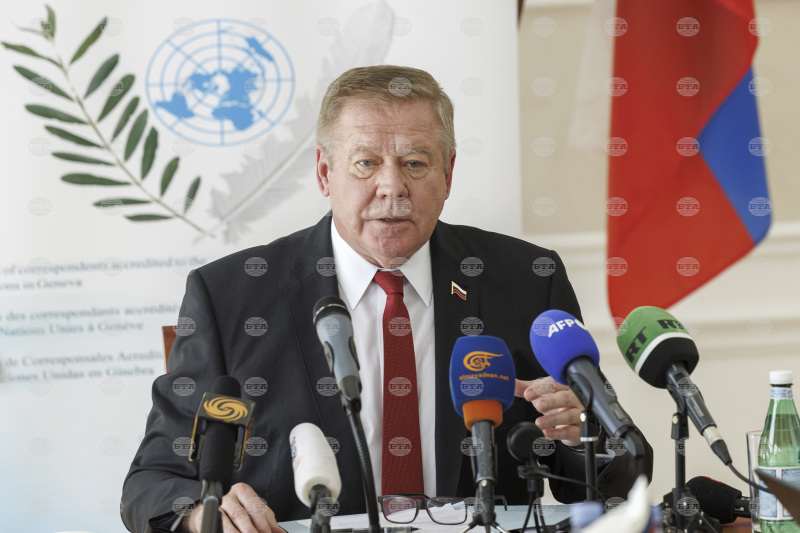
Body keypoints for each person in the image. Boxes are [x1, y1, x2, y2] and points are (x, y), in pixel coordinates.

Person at [121, 65, 652, 533]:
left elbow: (621, 474)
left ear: (448, 174)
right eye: (366, 163)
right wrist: (201, 513)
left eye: (415, 163)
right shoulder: (231, 295)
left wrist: (582, 438)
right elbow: (153, 480)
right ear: (325, 173)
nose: (392, 187)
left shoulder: (527, 279)